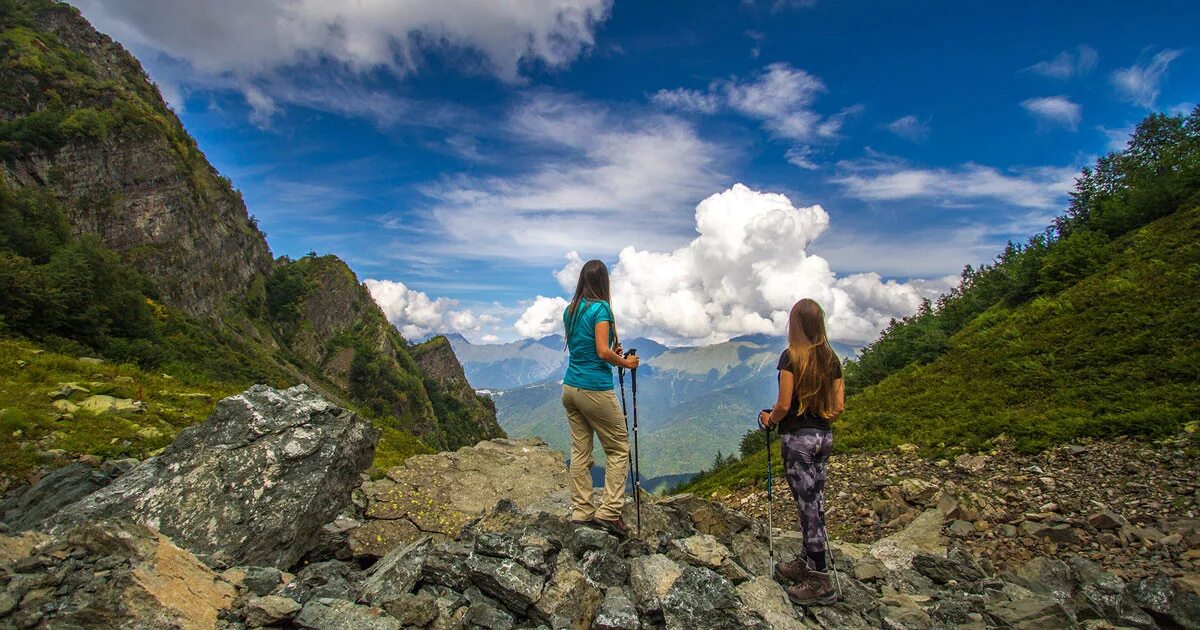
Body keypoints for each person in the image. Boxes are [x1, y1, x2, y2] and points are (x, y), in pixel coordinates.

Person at [758, 298, 845, 605]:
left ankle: (819, 580)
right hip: (824, 438)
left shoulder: (790, 357)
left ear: (795, 324)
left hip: (798, 441)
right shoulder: (832, 358)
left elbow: (783, 404)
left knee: (807, 508)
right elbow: (838, 407)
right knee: (815, 501)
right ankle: (806, 563)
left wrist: (771, 419)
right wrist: (817, 416)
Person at [561, 259, 640, 537]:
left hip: (570, 388)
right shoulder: (602, 308)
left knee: (580, 450)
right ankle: (608, 512)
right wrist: (625, 362)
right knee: (619, 448)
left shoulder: (570, 310)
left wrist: (611, 349)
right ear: (603, 281)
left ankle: (581, 511)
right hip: (594, 387)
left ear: (583, 280)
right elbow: (601, 352)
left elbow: (585, 346)